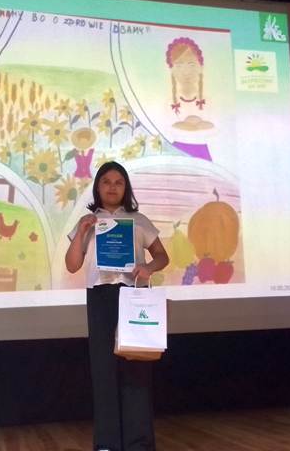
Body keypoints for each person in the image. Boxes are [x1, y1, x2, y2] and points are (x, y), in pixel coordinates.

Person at [65, 161, 169, 451]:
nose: (112, 187)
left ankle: (139, 444)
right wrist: (82, 231)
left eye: (119, 182)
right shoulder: (88, 221)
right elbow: (72, 265)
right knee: (103, 372)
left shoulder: (139, 220)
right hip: (100, 298)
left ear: (126, 188)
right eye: (106, 181)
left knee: (137, 370)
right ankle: (107, 444)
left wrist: (148, 267)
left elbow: (162, 256)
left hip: (133, 296)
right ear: (98, 187)